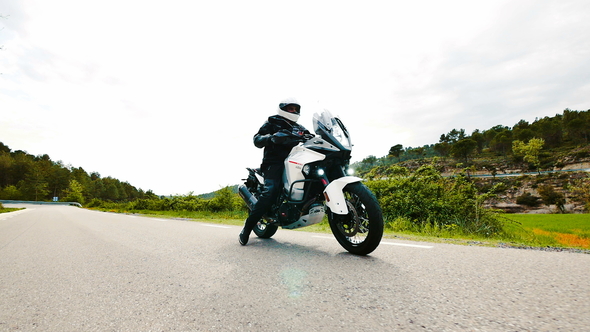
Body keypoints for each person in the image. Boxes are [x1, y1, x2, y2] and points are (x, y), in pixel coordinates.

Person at [239, 98, 311, 245]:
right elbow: (257, 139)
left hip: (295, 162)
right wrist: (271, 137)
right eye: (290, 108)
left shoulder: (299, 127)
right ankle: (246, 229)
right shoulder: (272, 122)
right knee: (270, 191)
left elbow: (311, 138)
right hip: (274, 163)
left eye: (295, 109)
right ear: (283, 109)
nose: (293, 111)